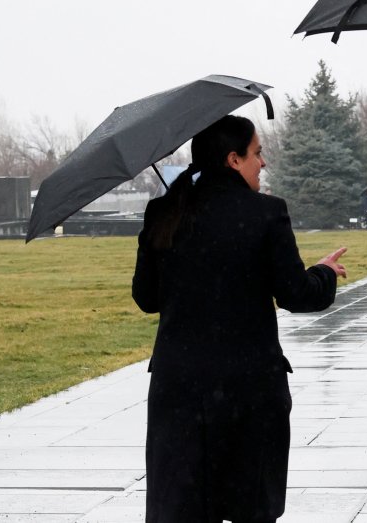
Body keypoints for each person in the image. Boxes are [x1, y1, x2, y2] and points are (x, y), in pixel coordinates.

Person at [132, 115, 348, 523]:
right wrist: (323, 272)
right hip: (249, 392)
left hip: (178, 393)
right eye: (257, 153)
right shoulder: (266, 213)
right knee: (250, 507)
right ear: (233, 159)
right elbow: (297, 295)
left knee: (182, 509)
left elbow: (146, 298)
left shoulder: (164, 212)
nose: (262, 163)